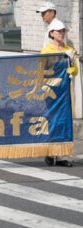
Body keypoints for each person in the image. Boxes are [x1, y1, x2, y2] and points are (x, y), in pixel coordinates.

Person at [41, 19, 77, 168]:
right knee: (54, 119)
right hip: (52, 91)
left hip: (65, 91)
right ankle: (50, 151)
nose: (62, 34)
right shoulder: (47, 51)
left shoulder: (68, 49)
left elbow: (75, 69)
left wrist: (70, 69)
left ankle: (62, 155)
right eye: (59, 31)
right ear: (51, 33)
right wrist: (62, 62)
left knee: (65, 120)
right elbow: (44, 69)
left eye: (63, 31)